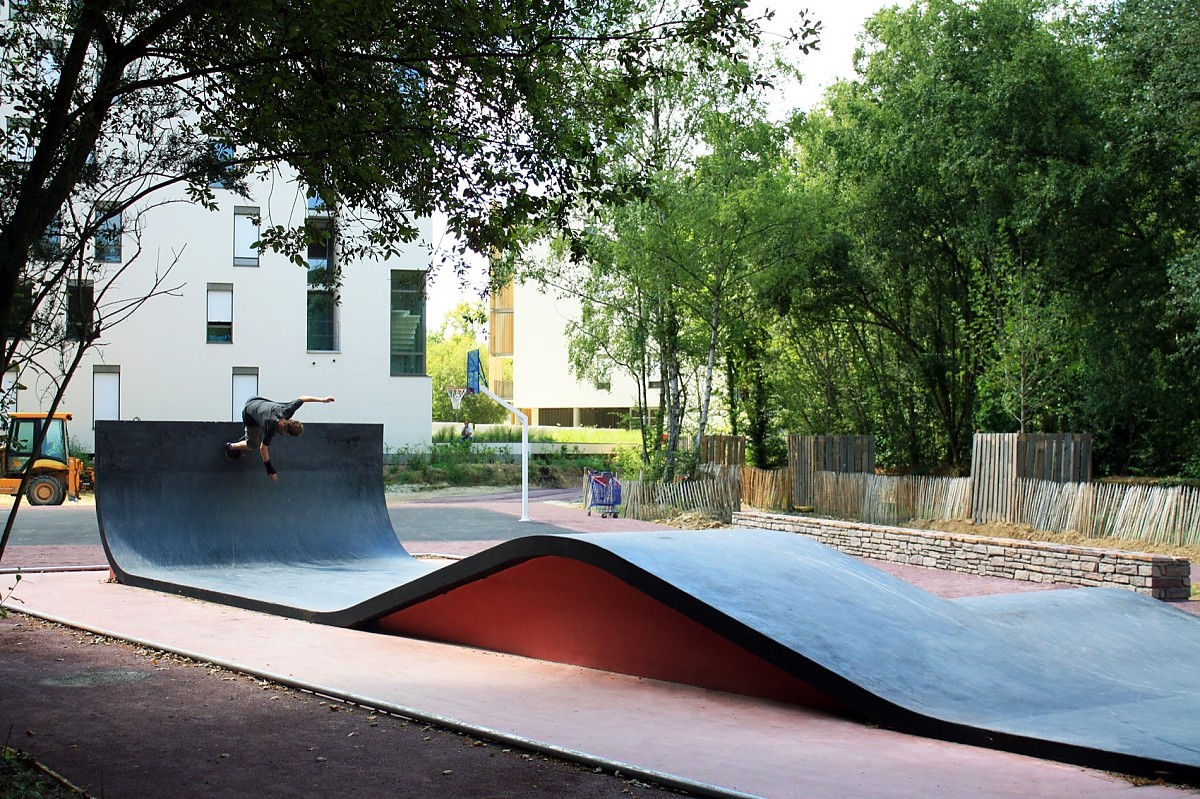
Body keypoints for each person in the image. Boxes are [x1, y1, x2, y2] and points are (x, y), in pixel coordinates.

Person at [225, 395, 335, 480]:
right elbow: (263, 448)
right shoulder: (271, 425)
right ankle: (231, 447)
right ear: (285, 430)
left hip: (256, 400)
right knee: (253, 444)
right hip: (249, 413)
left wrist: (323, 399)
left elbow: (303, 398)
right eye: (286, 434)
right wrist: (269, 468)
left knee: (260, 428)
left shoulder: (288, 410)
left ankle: (249, 434)